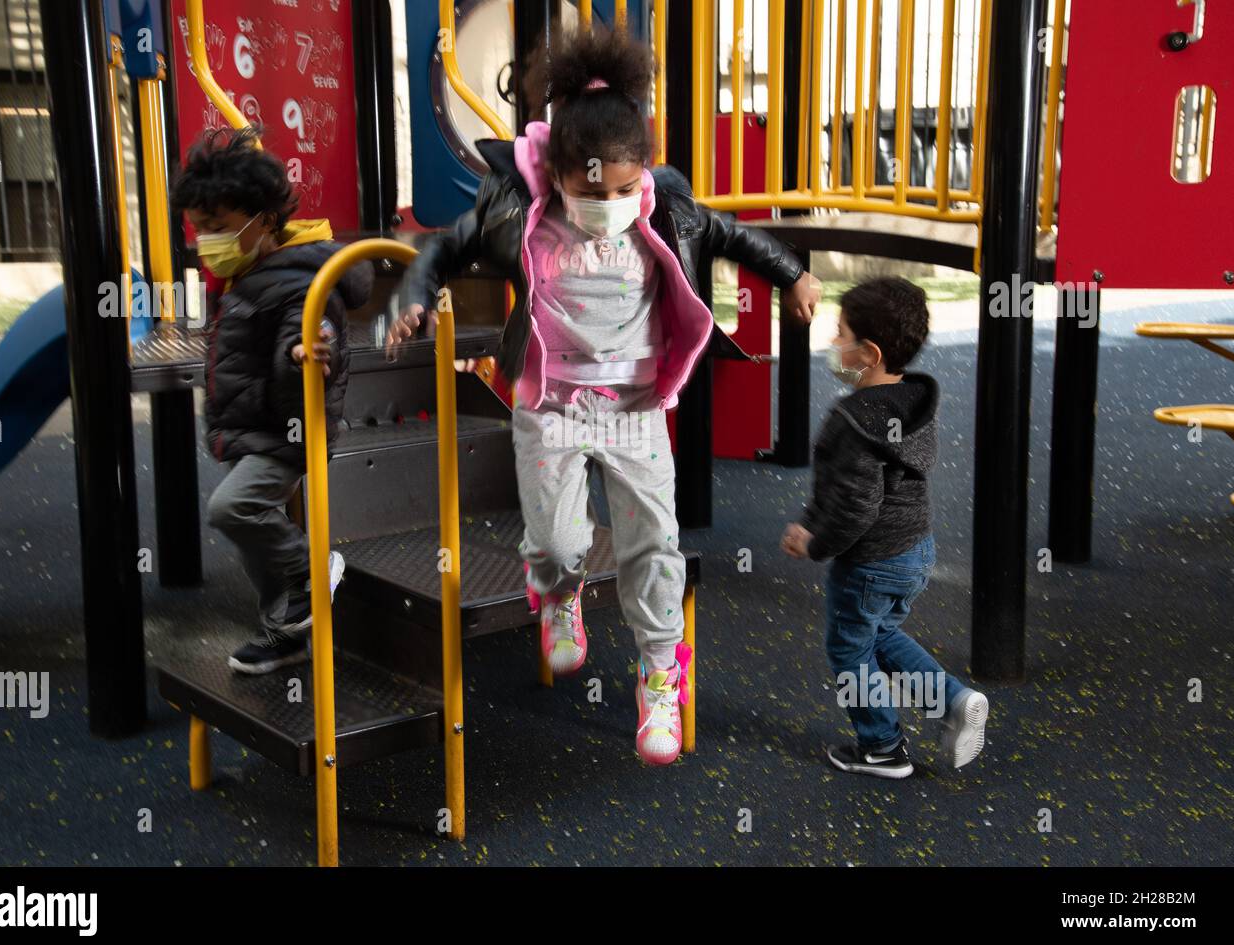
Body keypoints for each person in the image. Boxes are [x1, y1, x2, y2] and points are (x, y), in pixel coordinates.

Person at [391, 28, 821, 764]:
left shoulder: (664, 209)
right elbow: (443, 245)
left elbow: (734, 236)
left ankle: (660, 672)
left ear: (643, 175)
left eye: (625, 189)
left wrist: (794, 275)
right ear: (557, 172)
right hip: (550, 407)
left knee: (654, 541)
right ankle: (556, 590)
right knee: (561, 542)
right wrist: (415, 294)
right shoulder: (514, 213)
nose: (612, 203)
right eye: (593, 191)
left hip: (635, 409)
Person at [170, 126, 372, 674]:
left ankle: (312, 570)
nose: (206, 240)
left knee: (233, 508)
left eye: (218, 227)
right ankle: (283, 631)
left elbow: (303, 339)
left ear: (263, 220)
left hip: (289, 432)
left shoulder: (303, 276)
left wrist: (304, 353)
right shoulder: (243, 273)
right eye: (199, 229)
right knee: (258, 541)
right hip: (252, 427)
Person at [780, 278, 988, 778]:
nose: (833, 343)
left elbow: (854, 507)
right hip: (914, 551)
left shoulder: (853, 421)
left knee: (848, 648)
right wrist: (814, 520)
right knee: (880, 634)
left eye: (841, 333)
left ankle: (881, 747)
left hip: (870, 562)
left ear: (868, 352)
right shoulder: (910, 403)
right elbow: (848, 490)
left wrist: (816, 542)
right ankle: (954, 702)